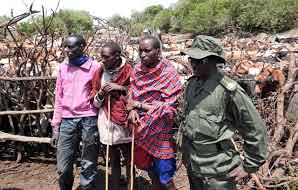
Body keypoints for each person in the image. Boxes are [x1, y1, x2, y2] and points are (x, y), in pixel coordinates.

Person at [180, 35, 267, 189]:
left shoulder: (228, 90)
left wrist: (249, 165)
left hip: (218, 172)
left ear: (214, 62)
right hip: (193, 166)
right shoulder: (192, 85)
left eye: (200, 60)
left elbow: (254, 128)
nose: (193, 63)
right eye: (191, 58)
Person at [127, 36, 182, 190]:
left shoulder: (168, 73)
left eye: (147, 50)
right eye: (140, 51)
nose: (142, 54)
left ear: (158, 51)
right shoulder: (137, 70)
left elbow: (169, 107)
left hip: (161, 131)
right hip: (141, 127)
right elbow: (132, 91)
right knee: (150, 171)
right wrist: (131, 109)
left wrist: (138, 105)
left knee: (166, 178)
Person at [50, 35, 100, 190]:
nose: (67, 50)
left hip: (89, 118)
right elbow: (59, 97)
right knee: (63, 167)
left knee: (89, 162)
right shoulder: (63, 68)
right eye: (65, 46)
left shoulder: (95, 67)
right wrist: (55, 127)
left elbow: (99, 93)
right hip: (67, 119)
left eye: (71, 47)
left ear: (83, 46)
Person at [91, 41, 133, 190]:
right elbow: (95, 103)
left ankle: (131, 186)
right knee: (113, 159)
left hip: (126, 121)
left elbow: (136, 94)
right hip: (107, 122)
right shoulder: (100, 72)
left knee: (130, 159)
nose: (102, 60)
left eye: (106, 57)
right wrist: (101, 94)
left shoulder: (128, 71)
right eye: (101, 56)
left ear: (116, 56)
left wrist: (120, 88)